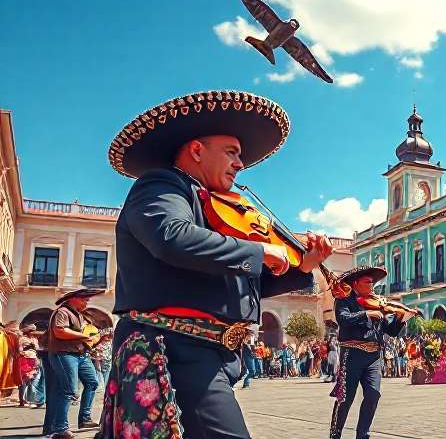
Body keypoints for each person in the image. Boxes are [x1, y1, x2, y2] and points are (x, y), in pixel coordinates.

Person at [96, 90, 333, 438]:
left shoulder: (218, 208)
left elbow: (246, 285)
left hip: (213, 353)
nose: (240, 163)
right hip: (170, 346)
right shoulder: (161, 185)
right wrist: (258, 252)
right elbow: (170, 236)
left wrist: (303, 265)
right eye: (232, 152)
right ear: (196, 150)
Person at [330, 266, 414, 439]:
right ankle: (335, 434)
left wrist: (401, 318)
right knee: (345, 398)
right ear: (356, 283)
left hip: (374, 357)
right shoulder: (344, 299)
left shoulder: (378, 303)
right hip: (352, 353)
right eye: (368, 282)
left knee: (373, 394)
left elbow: (390, 330)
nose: (372, 286)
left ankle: (363, 434)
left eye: (373, 282)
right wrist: (366, 314)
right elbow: (343, 319)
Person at [43, 288, 103, 438]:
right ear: (73, 299)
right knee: (68, 391)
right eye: (84, 300)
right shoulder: (62, 311)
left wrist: (98, 339)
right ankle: (60, 429)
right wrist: (84, 336)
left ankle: (85, 418)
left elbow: (81, 339)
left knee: (92, 383)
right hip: (64, 354)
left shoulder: (79, 315)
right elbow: (59, 331)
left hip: (80, 355)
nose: (86, 303)